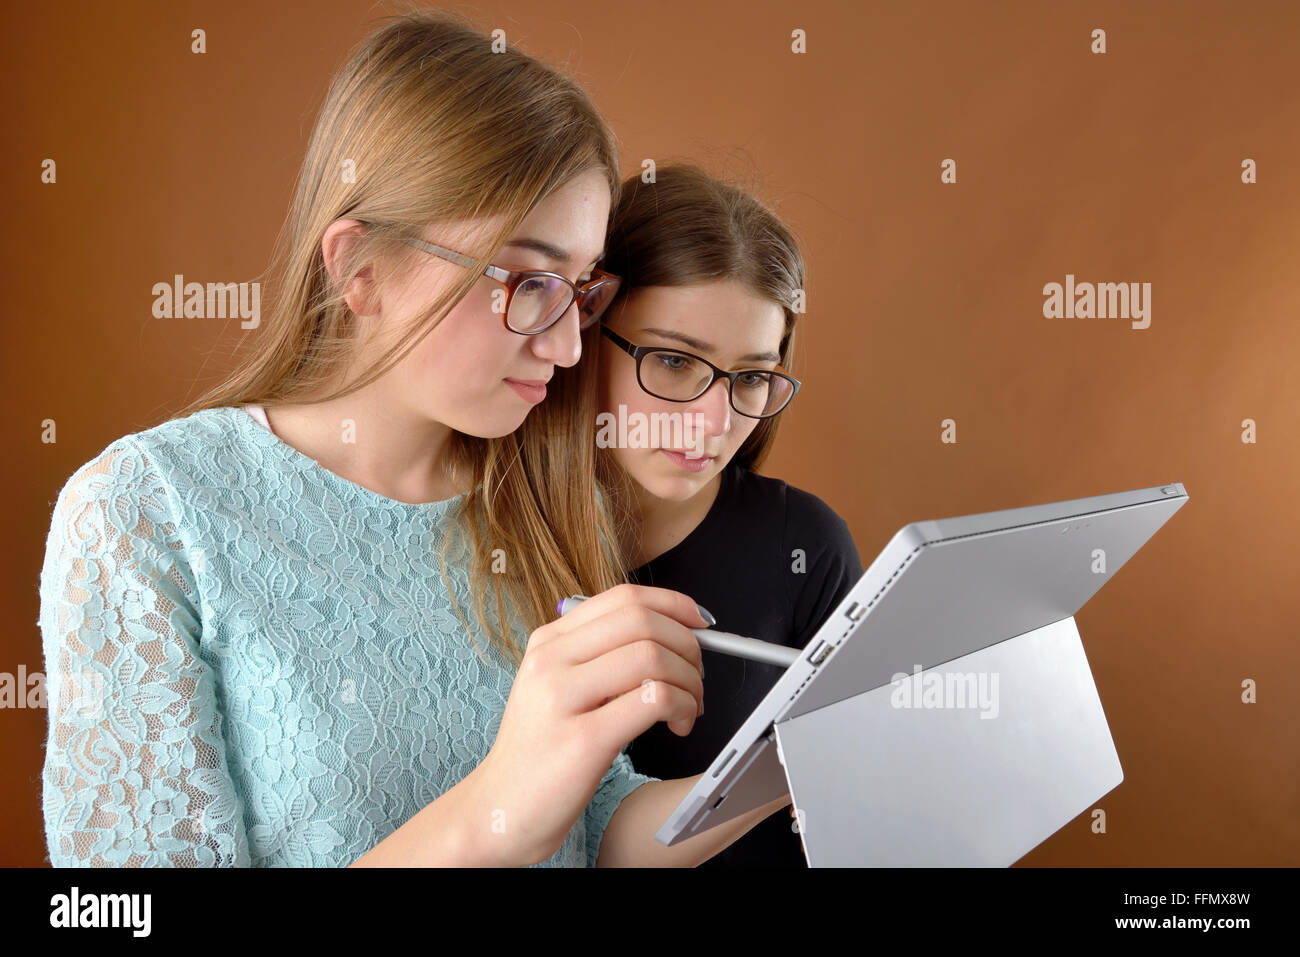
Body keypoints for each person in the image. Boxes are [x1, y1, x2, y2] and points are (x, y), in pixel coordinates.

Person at [37, 12, 790, 868]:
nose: (569, 345)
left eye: (580, 288)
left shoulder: (532, 498)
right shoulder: (147, 513)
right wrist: (496, 810)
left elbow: (595, 829)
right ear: (361, 269)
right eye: (530, 280)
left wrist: (801, 748)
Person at [594, 165, 863, 866]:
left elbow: (849, 828)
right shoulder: (485, 535)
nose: (713, 422)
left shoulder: (807, 546)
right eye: (676, 362)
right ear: (585, 330)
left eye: (750, 377)